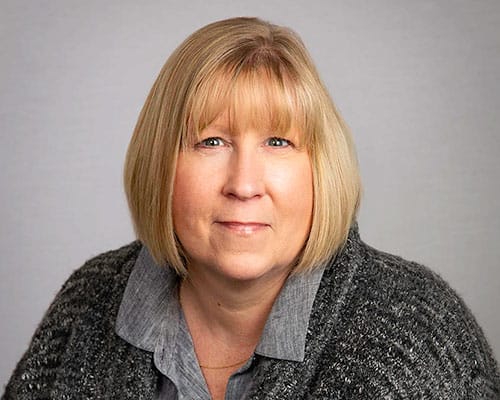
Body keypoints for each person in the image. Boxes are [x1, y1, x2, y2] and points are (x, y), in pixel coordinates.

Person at [2, 16, 499, 400]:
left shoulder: (413, 329)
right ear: (160, 164)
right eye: (211, 141)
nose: (244, 184)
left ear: (320, 169)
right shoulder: (90, 300)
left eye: (279, 142)